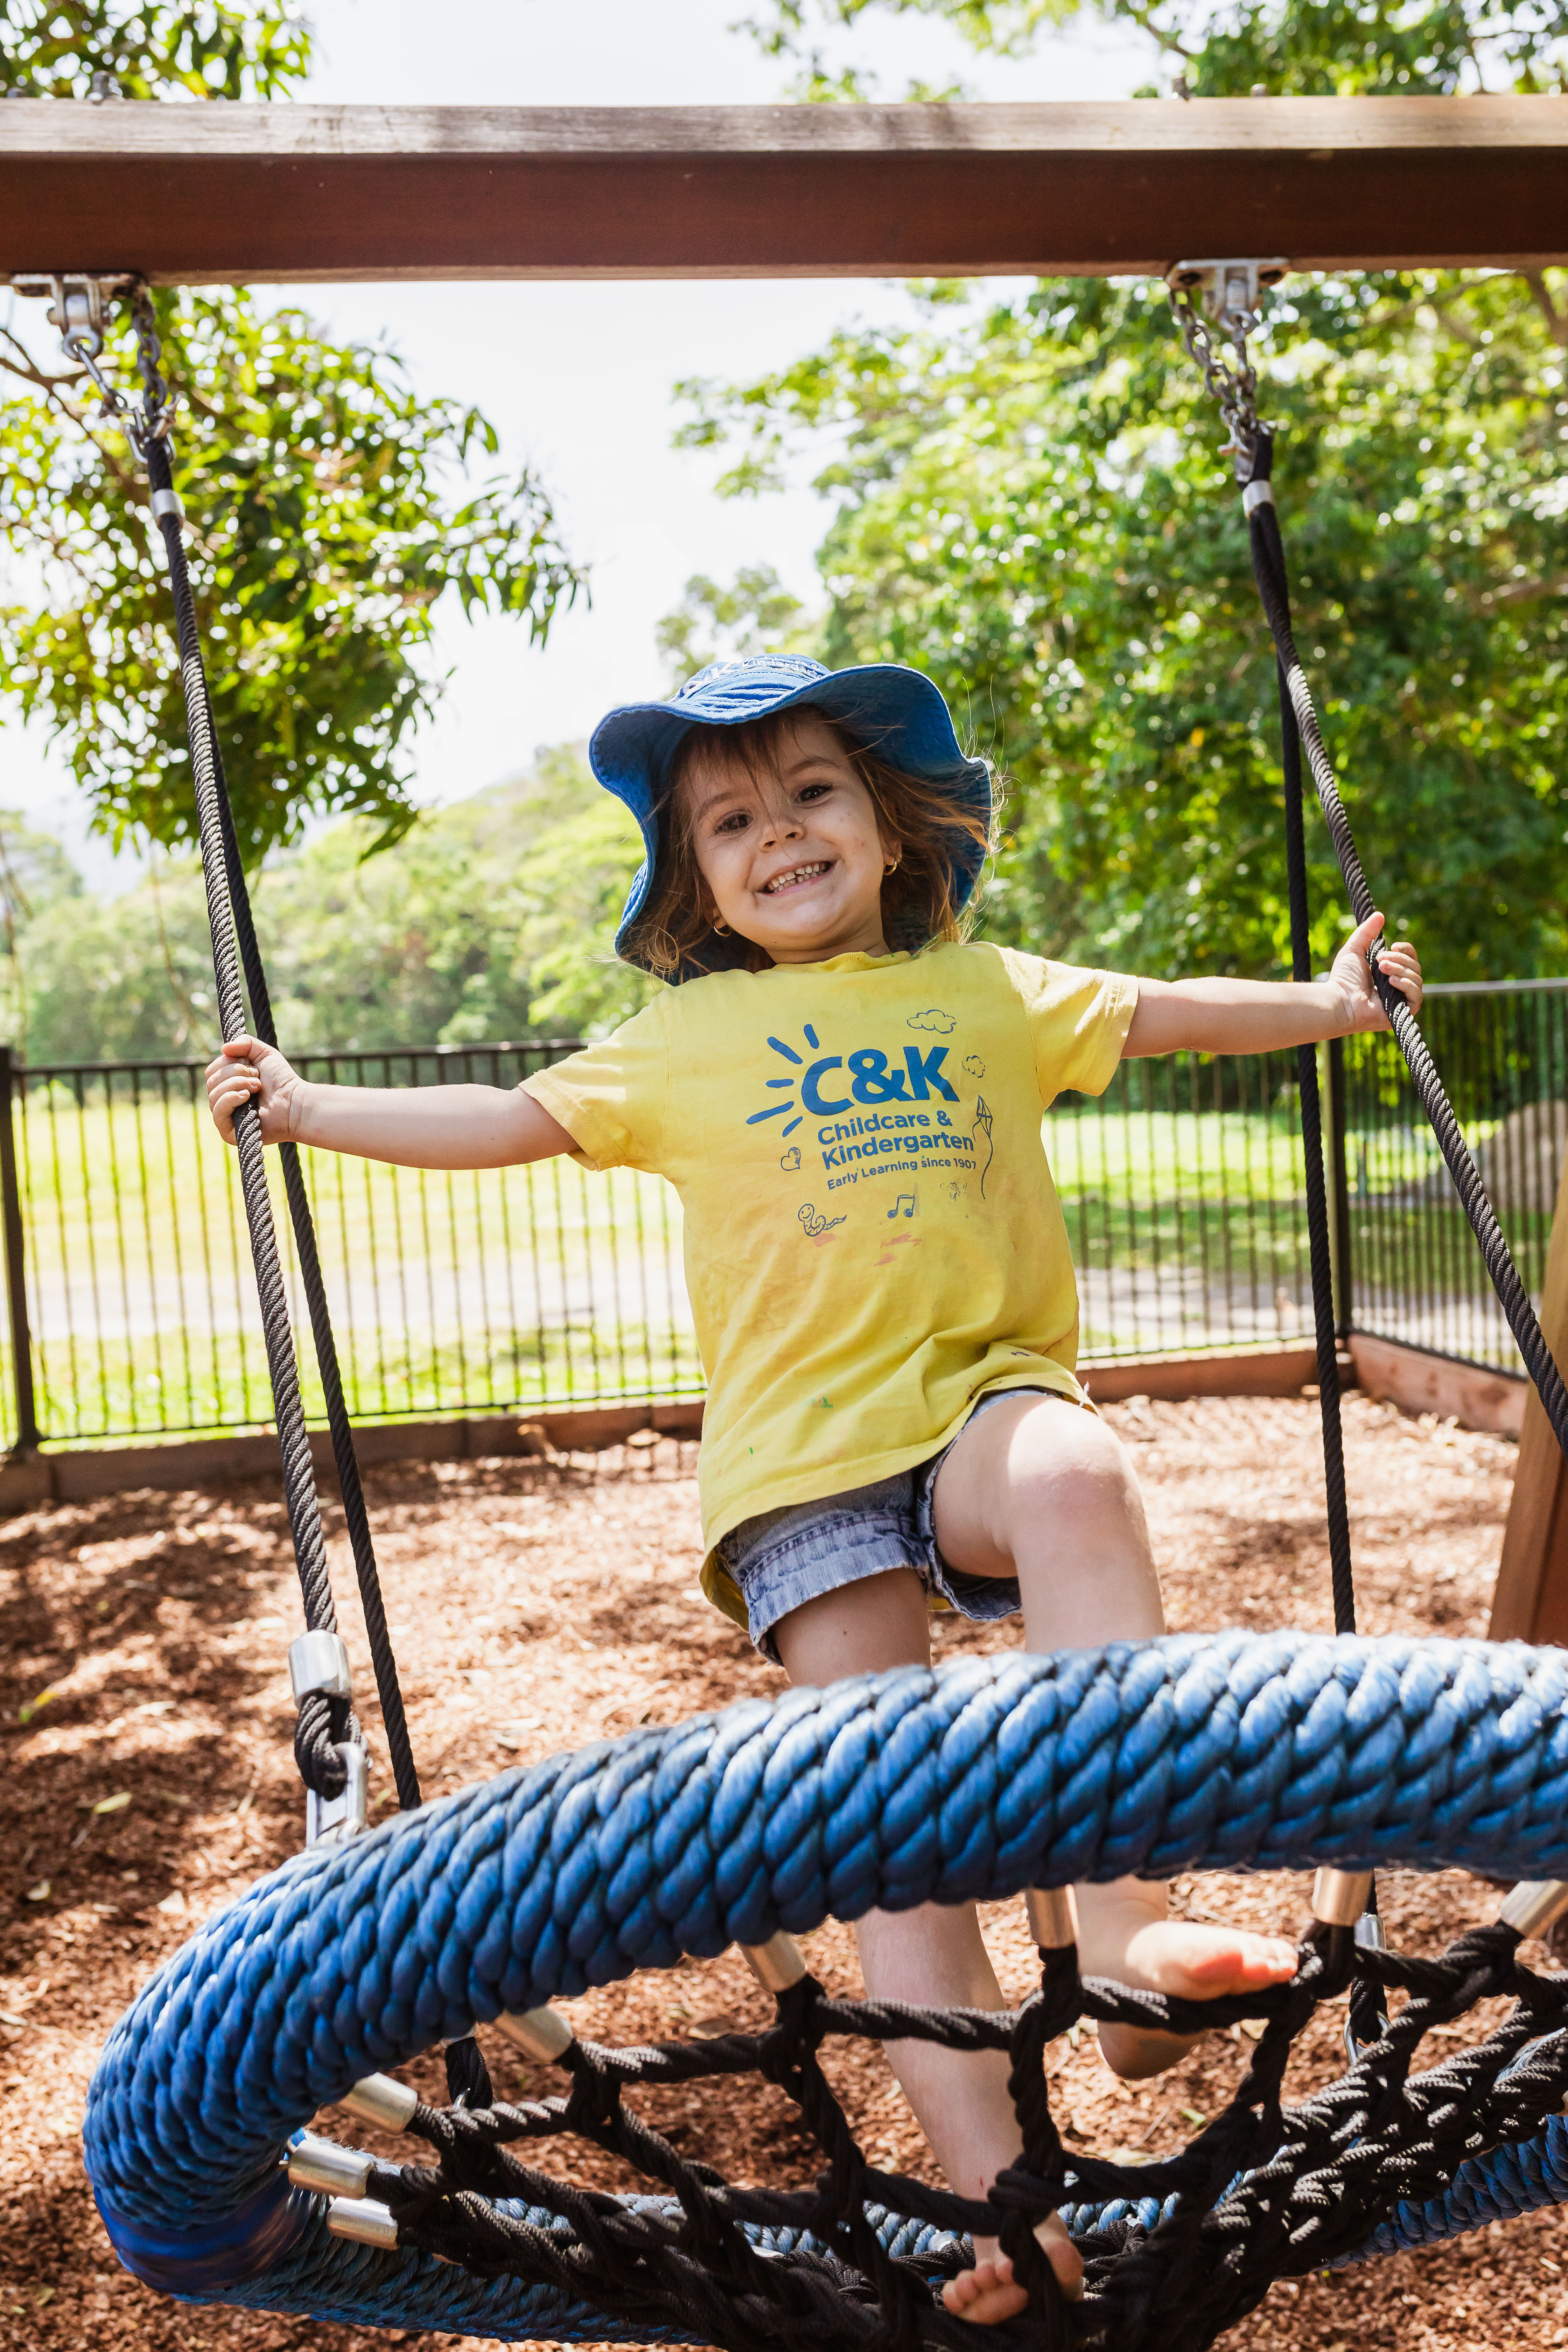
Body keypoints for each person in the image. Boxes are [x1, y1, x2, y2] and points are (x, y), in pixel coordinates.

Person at [206, 654, 1423, 2323]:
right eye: (730, 818)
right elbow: (506, 1115)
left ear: (888, 825)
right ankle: (1002, 2207)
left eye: (811, 793)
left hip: (983, 1407)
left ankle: (1125, 1939)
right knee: (887, 1833)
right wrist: (306, 1108)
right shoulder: (685, 1036)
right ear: (696, 879)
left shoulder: (980, 988)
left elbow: (1155, 1009)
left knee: (1075, 1468)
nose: (777, 832)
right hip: (804, 1474)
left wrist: (1338, 1004)